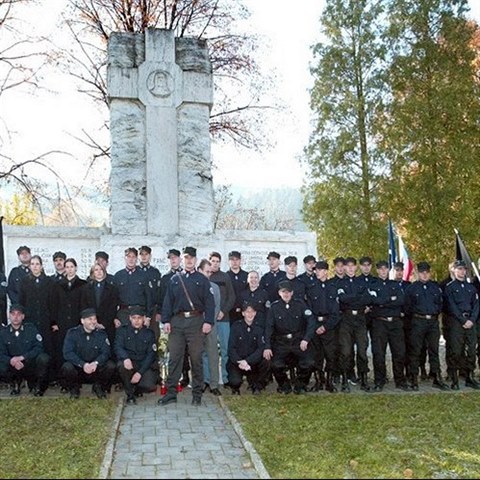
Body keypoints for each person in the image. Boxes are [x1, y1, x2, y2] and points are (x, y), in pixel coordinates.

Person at [159, 246, 215, 406]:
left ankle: (197, 394)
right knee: (174, 358)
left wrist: (208, 322)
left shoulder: (202, 279)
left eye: (192, 258)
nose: (189, 260)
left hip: (196, 322)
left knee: (196, 358)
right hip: (177, 322)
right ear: (182, 259)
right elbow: (167, 302)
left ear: (195, 260)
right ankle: (171, 393)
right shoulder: (175, 280)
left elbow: (209, 303)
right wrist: (166, 321)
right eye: (186, 258)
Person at [263, 280, 315, 394]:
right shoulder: (274, 307)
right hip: (281, 342)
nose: (286, 294)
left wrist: (306, 339)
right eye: (283, 292)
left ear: (292, 293)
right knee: (275, 364)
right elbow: (269, 328)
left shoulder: (300, 304)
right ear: (279, 293)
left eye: (288, 292)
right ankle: (284, 385)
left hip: (298, 341)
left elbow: (311, 322)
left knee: (309, 362)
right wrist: (267, 346)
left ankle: (301, 384)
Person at [404, 261, 449, 390]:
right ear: (417, 273)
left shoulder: (435, 287)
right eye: (422, 272)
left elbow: (440, 304)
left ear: (429, 273)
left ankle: (436, 377)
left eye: (427, 272)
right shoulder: (411, 288)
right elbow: (407, 307)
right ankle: (414, 378)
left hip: (433, 322)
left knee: (434, 350)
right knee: (416, 350)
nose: (424, 275)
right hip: (418, 321)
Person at [336, 257, 374, 392]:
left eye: (353, 266)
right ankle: (345, 381)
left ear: (356, 267)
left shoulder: (362, 282)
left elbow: (368, 298)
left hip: (360, 319)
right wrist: (358, 298)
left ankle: (363, 380)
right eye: (348, 266)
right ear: (344, 268)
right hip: (346, 320)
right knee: (346, 352)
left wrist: (352, 298)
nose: (351, 268)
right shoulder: (340, 283)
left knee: (362, 351)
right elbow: (342, 299)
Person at [369, 260, 408, 392]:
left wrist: (383, 301)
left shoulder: (395, 285)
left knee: (399, 352)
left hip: (395, 323)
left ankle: (400, 381)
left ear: (388, 270)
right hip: (379, 322)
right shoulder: (373, 285)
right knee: (379, 353)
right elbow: (374, 301)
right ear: (377, 270)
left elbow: (401, 300)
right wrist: (390, 299)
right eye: (380, 269)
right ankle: (380, 381)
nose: (383, 271)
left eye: (385, 269)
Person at [18, 255, 59, 377]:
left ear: (41, 266)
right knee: (30, 349)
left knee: (47, 349)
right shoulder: (24, 282)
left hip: (45, 321)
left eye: (37, 264)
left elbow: (53, 303)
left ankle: (48, 378)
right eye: (32, 264)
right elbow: (21, 302)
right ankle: (31, 378)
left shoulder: (49, 282)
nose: (35, 266)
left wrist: (53, 322)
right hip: (30, 321)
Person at [61, 307, 115, 399]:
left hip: (95, 369)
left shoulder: (101, 334)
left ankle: (98, 386)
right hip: (79, 368)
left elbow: (106, 352)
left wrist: (96, 363)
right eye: (90, 319)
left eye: (95, 319)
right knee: (67, 367)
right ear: (82, 321)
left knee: (110, 366)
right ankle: (74, 388)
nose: (93, 322)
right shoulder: (72, 333)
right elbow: (67, 353)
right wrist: (83, 364)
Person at [443, 260, 480, 390]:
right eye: (459, 269)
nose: (462, 271)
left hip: (471, 322)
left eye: (464, 269)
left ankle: (469, 377)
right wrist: (463, 321)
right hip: (457, 323)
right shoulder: (450, 287)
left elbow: (476, 305)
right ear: (454, 270)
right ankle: (454, 379)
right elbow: (451, 306)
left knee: (471, 351)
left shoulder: (471, 287)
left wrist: (472, 320)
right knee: (456, 352)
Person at [0, 304, 50, 396]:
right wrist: (11, 360)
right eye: (13, 314)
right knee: (2, 366)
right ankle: (15, 383)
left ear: (23, 316)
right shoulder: (3, 333)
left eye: (18, 314)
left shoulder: (31, 329)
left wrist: (23, 357)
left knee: (44, 358)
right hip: (12, 365)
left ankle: (37, 385)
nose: (15, 317)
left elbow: (38, 347)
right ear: (9, 316)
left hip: (28, 363)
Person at [305, 260, 340, 393]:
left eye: (319, 270)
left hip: (329, 326)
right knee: (316, 356)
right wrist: (315, 327)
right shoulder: (311, 288)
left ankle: (329, 382)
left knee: (330, 355)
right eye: (316, 270)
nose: (316, 272)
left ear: (325, 271)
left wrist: (325, 327)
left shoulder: (333, 288)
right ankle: (319, 381)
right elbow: (309, 311)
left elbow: (336, 312)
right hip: (315, 325)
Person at [115, 305, 159, 404]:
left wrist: (140, 373)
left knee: (149, 386)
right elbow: (118, 347)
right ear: (130, 318)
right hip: (130, 363)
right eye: (134, 318)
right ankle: (130, 395)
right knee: (122, 366)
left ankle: (137, 388)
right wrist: (125, 358)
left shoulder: (149, 333)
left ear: (143, 319)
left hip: (143, 365)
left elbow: (151, 355)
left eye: (139, 318)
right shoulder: (123, 331)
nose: (136, 321)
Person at [55, 258, 86, 384]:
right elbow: (53, 305)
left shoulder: (83, 284)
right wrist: (55, 322)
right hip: (62, 323)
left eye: (71, 267)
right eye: (67, 267)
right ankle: (64, 381)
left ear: (76, 268)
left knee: (78, 350)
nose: (69, 269)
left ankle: (78, 380)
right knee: (63, 350)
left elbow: (85, 305)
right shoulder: (57, 285)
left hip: (77, 322)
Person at [227, 302, 269, 395]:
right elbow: (231, 348)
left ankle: (256, 386)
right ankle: (235, 388)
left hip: (252, 362)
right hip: (238, 362)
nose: (250, 314)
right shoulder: (236, 326)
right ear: (243, 313)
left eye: (252, 312)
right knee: (235, 382)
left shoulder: (259, 328)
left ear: (255, 313)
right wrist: (240, 361)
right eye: (247, 312)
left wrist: (247, 361)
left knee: (266, 361)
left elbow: (260, 349)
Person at [209, 251, 235, 387]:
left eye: (217, 261)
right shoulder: (205, 277)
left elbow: (231, 297)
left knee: (225, 350)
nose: (215, 264)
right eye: (213, 261)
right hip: (209, 321)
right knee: (208, 351)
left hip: (224, 319)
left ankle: (225, 378)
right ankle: (208, 379)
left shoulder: (225, 277)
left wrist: (223, 311)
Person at [80, 262, 120, 348]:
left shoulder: (112, 288)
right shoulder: (86, 288)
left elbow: (113, 307)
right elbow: (84, 306)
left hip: (107, 324)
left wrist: (103, 323)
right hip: (90, 324)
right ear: (92, 273)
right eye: (96, 270)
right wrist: (93, 322)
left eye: (101, 269)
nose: (99, 272)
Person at [198, 258, 221, 396]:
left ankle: (214, 384)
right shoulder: (193, 285)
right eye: (206, 272)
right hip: (196, 327)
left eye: (210, 272)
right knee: (198, 356)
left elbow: (216, 306)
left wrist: (209, 322)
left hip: (211, 325)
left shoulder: (215, 288)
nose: (208, 275)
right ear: (200, 270)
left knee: (213, 355)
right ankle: (200, 383)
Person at [113, 247, 152, 327]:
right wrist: (114, 317)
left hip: (139, 313)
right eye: (128, 257)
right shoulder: (118, 276)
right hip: (123, 314)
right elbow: (113, 298)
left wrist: (148, 316)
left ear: (137, 259)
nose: (131, 259)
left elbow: (149, 297)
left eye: (133, 257)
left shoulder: (143, 276)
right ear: (125, 258)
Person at [138, 245, 162, 341]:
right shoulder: (135, 271)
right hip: (139, 309)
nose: (144, 257)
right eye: (142, 254)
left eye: (146, 254)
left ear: (150, 256)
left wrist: (159, 311)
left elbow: (159, 293)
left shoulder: (155, 272)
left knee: (153, 336)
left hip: (153, 310)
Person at [226, 251, 249, 323]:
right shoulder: (225, 276)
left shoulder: (246, 275)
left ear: (240, 261)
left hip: (244, 312)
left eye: (237, 259)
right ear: (228, 261)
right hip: (229, 312)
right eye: (232, 259)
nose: (234, 262)